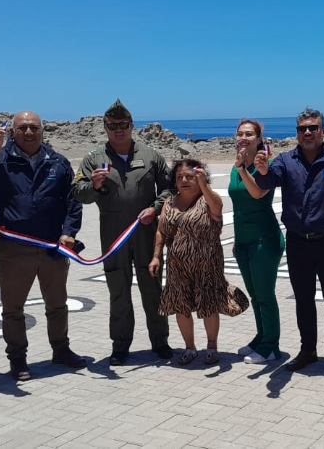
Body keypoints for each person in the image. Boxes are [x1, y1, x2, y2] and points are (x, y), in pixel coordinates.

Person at [0, 111, 86, 381]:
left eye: (34, 127)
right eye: (22, 128)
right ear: (12, 132)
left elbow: (72, 201)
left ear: (42, 131)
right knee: (13, 310)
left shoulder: (58, 162)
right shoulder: (0, 159)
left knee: (57, 305)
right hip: (14, 249)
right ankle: (17, 359)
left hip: (52, 248)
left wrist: (69, 233)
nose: (28, 132)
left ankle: (61, 350)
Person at [253, 108, 324, 375]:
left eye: (313, 128)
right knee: (303, 300)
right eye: (302, 129)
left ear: (323, 131)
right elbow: (268, 180)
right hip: (298, 243)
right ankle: (308, 351)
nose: (308, 133)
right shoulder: (285, 161)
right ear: (297, 133)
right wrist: (262, 170)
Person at [71, 99, 173, 365]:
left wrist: (155, 208)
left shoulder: (151, 155)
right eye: (113, 125)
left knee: (152, 288)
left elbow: (169, 188)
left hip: (146, 230)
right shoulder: (94, 158)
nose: (119, 130)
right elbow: (78, 194)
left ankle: (160, 341)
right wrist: (93, 186)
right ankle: (120, 346)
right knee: (118, 291)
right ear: (105, 127)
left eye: (123, 125)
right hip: (113, 233)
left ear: (132, 126)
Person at [149, 159, 249, 366]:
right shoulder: (169, 203)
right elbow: (161, 231)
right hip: (178, 266)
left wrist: (204, 184)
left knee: (208, 305)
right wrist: (156, 256)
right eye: (179, 177)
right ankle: (189, 348)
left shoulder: (209, 199)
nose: (184, 180)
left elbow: (217, 207)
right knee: (181, 306)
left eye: (190, 176)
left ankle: (212, 347)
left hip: (207, 264)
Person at [229, 119, 285, 364]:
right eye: (240, 133)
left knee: (265, 296)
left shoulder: (265, 166)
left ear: (259, 139)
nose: (243, 137)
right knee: (254, 295)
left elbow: (257, 193)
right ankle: (261, 337)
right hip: (243, 240)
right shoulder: (236, 167)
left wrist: (243, 169)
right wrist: (237, 240)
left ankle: (271, 346)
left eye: (249, 134)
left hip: (264, 239)